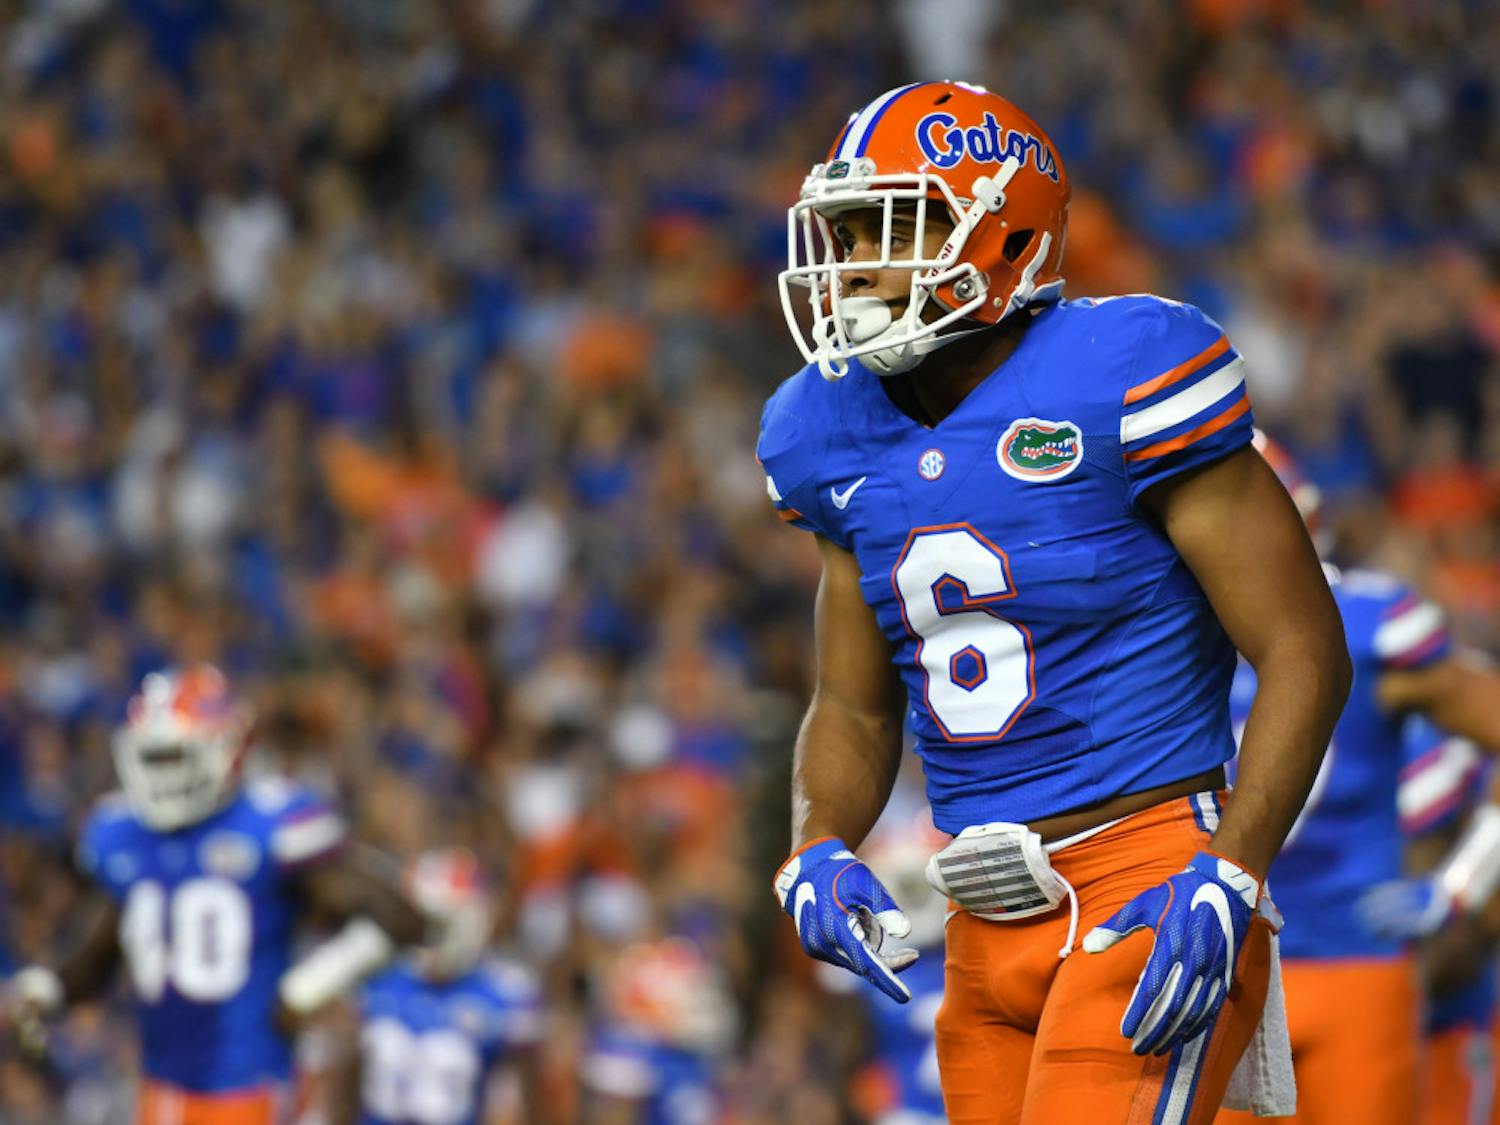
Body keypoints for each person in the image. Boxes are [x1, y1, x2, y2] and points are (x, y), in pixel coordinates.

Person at [759, 80, 1351, 1124]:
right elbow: (852, 702)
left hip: (1145, 881)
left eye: (894, 227)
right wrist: (818, 842)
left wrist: (1233, 869)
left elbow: (1304, 647)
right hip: (977, 921)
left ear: (1006, 232)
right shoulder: (824, 428)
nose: (854, 263)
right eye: (847, 232)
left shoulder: (1120, 370)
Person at [1213, 433, 1500, 1125]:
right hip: (1216, 967)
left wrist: (1463, 883)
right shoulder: (1156, 640)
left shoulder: (1371, 628)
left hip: (1351, 962)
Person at [3, 665, 426, 1125]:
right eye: (155, 759)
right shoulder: (121, 834)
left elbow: (399, 916)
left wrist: (312, 984)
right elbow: (102, 945)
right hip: (160, 1087)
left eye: (177, 758)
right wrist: (47, 988)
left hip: (252, 1087)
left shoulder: (270, 824)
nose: (165, 776)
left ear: (228, 749)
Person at [345, 848, 545, 1125]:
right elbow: (342, 1082)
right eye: (419, 919)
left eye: (437, 923)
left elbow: (515, 1102)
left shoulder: (505, 994)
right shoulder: (376, 978)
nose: (425, 933)